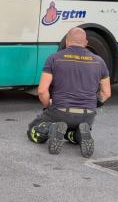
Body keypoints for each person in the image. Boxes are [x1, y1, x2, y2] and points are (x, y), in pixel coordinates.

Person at [26, 28, 111, 157]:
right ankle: (78, 134)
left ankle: (51, 128)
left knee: (33, 130)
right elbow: (106, 93)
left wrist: (47, 106)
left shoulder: (54, 58)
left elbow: (42, 91)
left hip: (60, 111)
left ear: (66, 41)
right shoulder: (99, 61)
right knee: (71, 133)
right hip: (87, 115)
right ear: (86, 42)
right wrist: (93, 104)